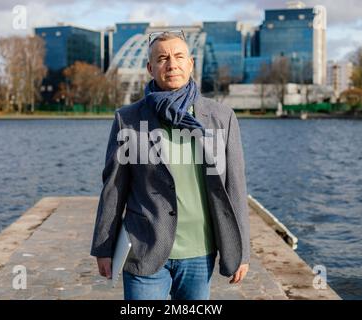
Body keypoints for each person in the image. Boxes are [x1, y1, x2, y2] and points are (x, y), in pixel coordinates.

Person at [90, 30, 250, 300]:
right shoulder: (127, 119)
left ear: (190, 64)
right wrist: (103, 247)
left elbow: (235, 186)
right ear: (150, 68)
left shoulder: (221, 117)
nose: (171, 64)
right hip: (144, 246)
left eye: (178, 56)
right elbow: (114, 187)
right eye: (162, 58)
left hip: (200, 250)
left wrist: (242, 250)